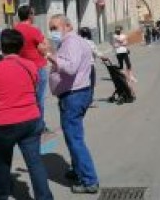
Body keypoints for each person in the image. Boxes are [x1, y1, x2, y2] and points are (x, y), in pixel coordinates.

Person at [0, 29, 53, 200]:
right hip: (31, 119)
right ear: (21, 46)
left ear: (1, 48)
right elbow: (31, 89)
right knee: (35, 163)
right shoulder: (30, 66)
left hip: (4, 124)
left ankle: (2, 195)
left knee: (3, 163)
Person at [47, 15, 99, 194]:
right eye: (51, 28)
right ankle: (78, 170)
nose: (52, 32)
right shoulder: (70, 42)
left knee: (75, 139)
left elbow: (71, 68)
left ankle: (89, 180)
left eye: (54, 27)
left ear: (67, 26)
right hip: (75, 94)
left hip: (73, 96)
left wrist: (51, 58)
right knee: (73, 137)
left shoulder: (72, 42)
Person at [15, 5, 50, 131]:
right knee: (39, 98)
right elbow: (44, 48)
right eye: (33, 14)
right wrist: (45, 42)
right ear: (29, 15)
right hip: (37, 67)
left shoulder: (15, 30)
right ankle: (39, 126)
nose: (34, 16)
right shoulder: (33, 30)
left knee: (25, 98)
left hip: (21, 68)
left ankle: (27, 123)